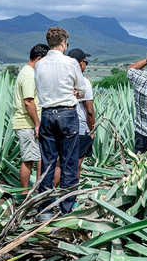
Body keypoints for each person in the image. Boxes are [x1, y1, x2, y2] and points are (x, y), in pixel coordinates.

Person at [35, 27, 86, 220]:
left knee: (48, 162)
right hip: (67, 114)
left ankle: (46, 209)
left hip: (47, 114)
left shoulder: (40, 64)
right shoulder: (70, 62)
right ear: (63, 43)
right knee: (69, 163)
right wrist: (74, 92)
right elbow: (81, 90)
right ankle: (66, 208)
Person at [53, 48, 95, 188]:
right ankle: (70, 197)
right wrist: (92, 130)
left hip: (59, 124)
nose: (85, 65)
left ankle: (47, 194)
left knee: (61, 161)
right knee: (76, 164)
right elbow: (89, 111)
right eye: (85, 62)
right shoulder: (83, 82)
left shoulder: (61, 80)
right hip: (79, 126)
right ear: (81, 64)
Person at [12, 44, 49, 195]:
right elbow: (29, 101)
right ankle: (24, 194)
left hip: (31, 123)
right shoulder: (28, 75)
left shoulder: (29, 72)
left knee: (38, 157)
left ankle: (38, 190)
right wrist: (37, 123)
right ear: (39, 59)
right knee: (28, 159)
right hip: (27, 123)